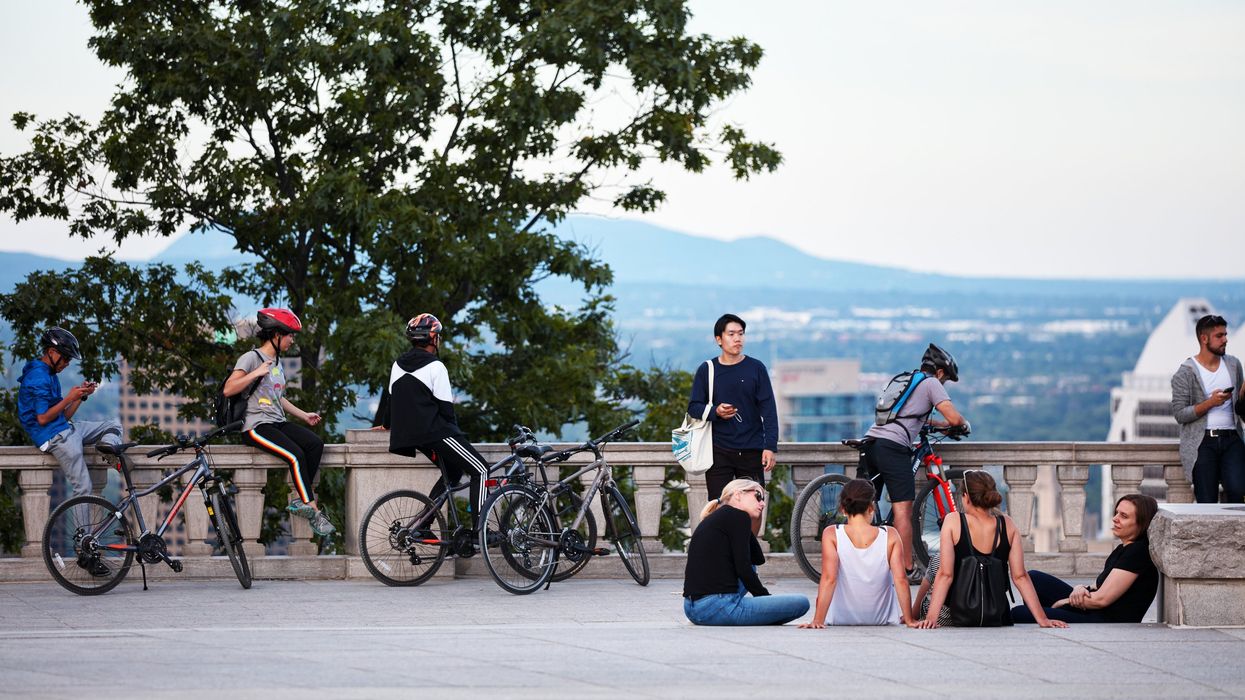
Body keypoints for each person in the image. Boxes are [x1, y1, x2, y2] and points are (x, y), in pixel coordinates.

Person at [861, 343, 968, 579]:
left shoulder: (907, 380)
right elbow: (952, 416)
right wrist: (961, 424)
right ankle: (908, 569)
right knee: (903, 510)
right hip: (893, 447)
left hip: (871, 443)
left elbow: (913, 418)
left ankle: (861, 563)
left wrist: (939, 426)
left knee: (863, 508)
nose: (943, 383)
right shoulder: (931, 383)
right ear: (940, 372)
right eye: (945, 379)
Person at [224, 308, 334, 537]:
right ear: (276, 335)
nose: (292, 340)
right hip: (255, 426)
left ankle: (300, 498)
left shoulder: (276, 362)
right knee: (295, 455)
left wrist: (304, 415)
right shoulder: (251, 358)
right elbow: (229, 389)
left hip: (276, 421)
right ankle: (311, 507)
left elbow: (277, 397)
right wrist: (255, 373)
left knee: (315, 444)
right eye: (290, 335)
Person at [382, 313, 490, 534]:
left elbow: (391, 400)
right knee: (482, 470)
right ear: (433, 338)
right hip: (435, 432)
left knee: (453, 474)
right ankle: (482, 530)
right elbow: (446, 410)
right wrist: (457, 436)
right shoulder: (436, 366)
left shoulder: (397, 364)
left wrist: (386, 424)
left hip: (410, 437)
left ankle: (423, 525)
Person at [917, 471, 1067, 629]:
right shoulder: (1007, 524)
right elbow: (1020, 577)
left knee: (937, 561)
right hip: (996, 614)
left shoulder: (953, 521)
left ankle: (912, 615)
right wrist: (1042, 619)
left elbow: (945, 574)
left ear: (966, 497)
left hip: (955, 614)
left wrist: (931, 619)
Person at [687, 314, 779, 534]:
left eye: (741, 334)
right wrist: (715, 411)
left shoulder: (756, 368)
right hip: (719, 450)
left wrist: (770, 446)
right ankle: (722, 558)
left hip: (751, 450)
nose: (738, 339)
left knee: (754, 509)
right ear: (719, 339)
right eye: (731, 334)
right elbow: (694, 407)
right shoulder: (707, 370)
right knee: (718, 509)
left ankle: (749, 557)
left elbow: (769, 409)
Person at [1011, 494, 1159, 624]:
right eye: (1116, 513)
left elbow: (1101, 600)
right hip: (1094, 610)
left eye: (1124, 516)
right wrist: (1079, 588)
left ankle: (1047, 617)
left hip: (1106, 620)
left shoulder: (1137, 553)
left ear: (1141, 523)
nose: (1115, 519)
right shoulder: (1123, 549)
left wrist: (1063, 603)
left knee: (1019, 613)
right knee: (1034, 578)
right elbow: (1096, 586)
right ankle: (1048, 617)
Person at [683, 478, 809, 626]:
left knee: (752, 567)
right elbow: (744, 568)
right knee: (801, 603)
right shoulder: (738, 516)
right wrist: (765, 598)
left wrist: (747, 529)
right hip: (717, 607)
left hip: (692, 609)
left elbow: (756, 558)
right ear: (738, 495)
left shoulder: (716, 517)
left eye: (763, 499)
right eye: (758, 497)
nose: (762, 503)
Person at [17, 327, 123, 500]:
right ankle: (83, 529)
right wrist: (68, 398)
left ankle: (108, 451)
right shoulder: (38, 377)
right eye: (65, 358)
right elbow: (43, 418)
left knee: (113, 425)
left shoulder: (49, 373)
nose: (67, 363)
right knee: (84, 488)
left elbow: (63, 416)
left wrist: (80, 397)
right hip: (53, 437)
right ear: (51, 352)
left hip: (64, 427)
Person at [798, 479, 917, 628]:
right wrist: (909, 619)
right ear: (871, 507)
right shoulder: (891, 535)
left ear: (843, 508)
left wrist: (818, 620)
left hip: (840, 619)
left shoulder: (832, 534)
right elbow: (901, 580)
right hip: (879, 619)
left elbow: (829, 579)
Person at [1171, 314, 1244, 503]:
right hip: (1202, 443)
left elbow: (1240, 407)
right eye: (1219, 336)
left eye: (1225, 335)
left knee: (1238, 490)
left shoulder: (1234, 365)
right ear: (1204, 339)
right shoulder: (1185, 372)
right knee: (1206, 499)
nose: (1225, 340)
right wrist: (1210, 403)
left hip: (1232, 439)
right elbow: (1180, 414)